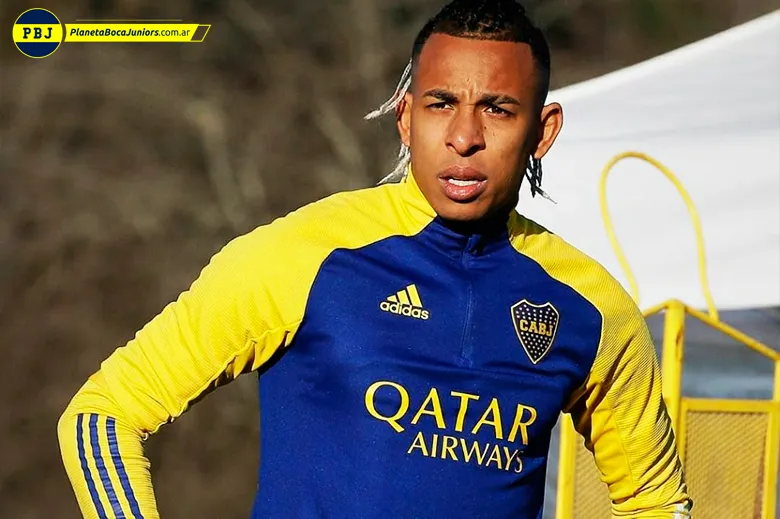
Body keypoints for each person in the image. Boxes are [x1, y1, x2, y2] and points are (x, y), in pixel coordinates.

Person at [58, 1, 692, 517]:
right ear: (406, 118)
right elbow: (104, 415)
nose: (464, 137)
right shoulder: (304, 255)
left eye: (497, 110)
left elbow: (657, 501)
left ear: (542, 131)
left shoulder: (591, 307)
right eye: (441, 104)